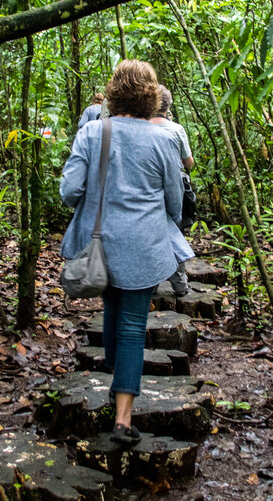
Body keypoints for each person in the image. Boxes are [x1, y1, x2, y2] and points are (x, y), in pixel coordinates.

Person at [60, 60, 194, 445]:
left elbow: (69, 192)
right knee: (133, 325)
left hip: (99, 241)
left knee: (112, 309)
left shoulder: (91, 133)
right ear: (151, 96)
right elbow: (174, 201)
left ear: (114, 92)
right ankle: (123, 416)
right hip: (143, 245)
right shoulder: (163, 139)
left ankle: (118, 376)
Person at [150, 85, 194, 296]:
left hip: (149, 188)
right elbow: (188, 162)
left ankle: (154, 284)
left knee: (155, 236)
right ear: (168, 106)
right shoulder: (176, 129)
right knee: (174, 233)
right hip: (174, 187)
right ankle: (180, 285)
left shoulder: (143, 126)